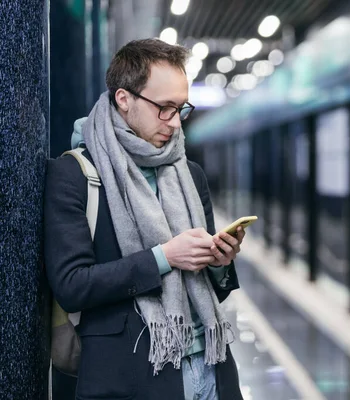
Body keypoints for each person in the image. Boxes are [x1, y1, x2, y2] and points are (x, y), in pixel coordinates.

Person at [44, 38, 244, 400]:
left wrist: (219, 261)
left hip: (212, 369)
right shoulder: (74, 174)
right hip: (132, 376)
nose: (174, 123)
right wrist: (164, 257)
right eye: (164, 108)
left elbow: (214, 286)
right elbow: (72, 286)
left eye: (181, 109)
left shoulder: (190, 173)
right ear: (124, 99)